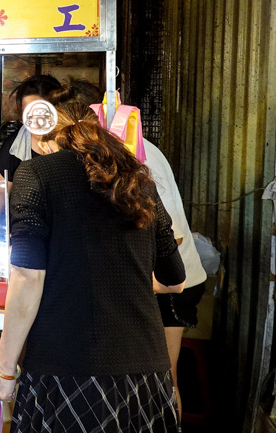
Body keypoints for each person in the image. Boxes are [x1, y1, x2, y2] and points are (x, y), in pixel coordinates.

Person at [0, 101, 185, 433]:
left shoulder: (35, 174)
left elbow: (28, 276)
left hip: (66, 372)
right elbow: (175, 282)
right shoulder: (137, 179)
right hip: (146, 371)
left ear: (46, 140)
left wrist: (4, 371)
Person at [67, 79, 208, 419]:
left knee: (164, 377)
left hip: (173, 282)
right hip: (152, 279)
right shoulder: (112, 155)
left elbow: (169, 238)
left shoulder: (139, 156)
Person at [0, 74, 61, 241]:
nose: (35, 121)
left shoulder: (71, 144)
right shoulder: (14, 145)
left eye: (42, 114)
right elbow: (0, 190)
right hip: (25, 237)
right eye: (28, 114)